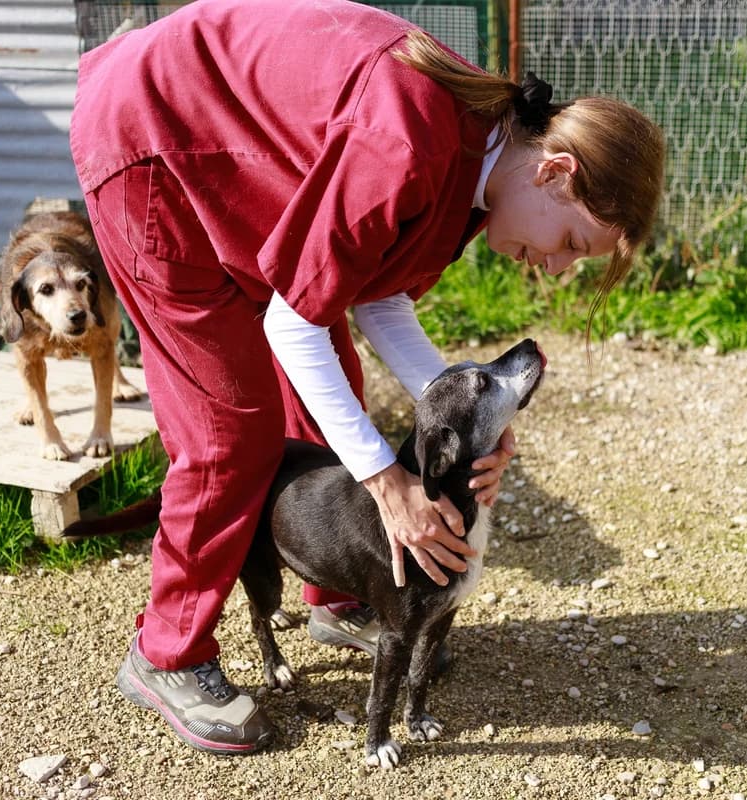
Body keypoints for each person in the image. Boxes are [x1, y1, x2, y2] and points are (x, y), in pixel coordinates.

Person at [68, 0, 664, 755]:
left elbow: (375, 294)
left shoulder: (478, 165)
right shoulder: (412, 141)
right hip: (154, 142)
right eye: (570, 243)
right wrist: (387, 483)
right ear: (554, 171)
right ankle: (167, 652)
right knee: (233, 432)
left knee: (331, 399)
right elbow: (295, 322)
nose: (553, 269)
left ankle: (345, 593)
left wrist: (474, 421)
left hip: (232, 161)